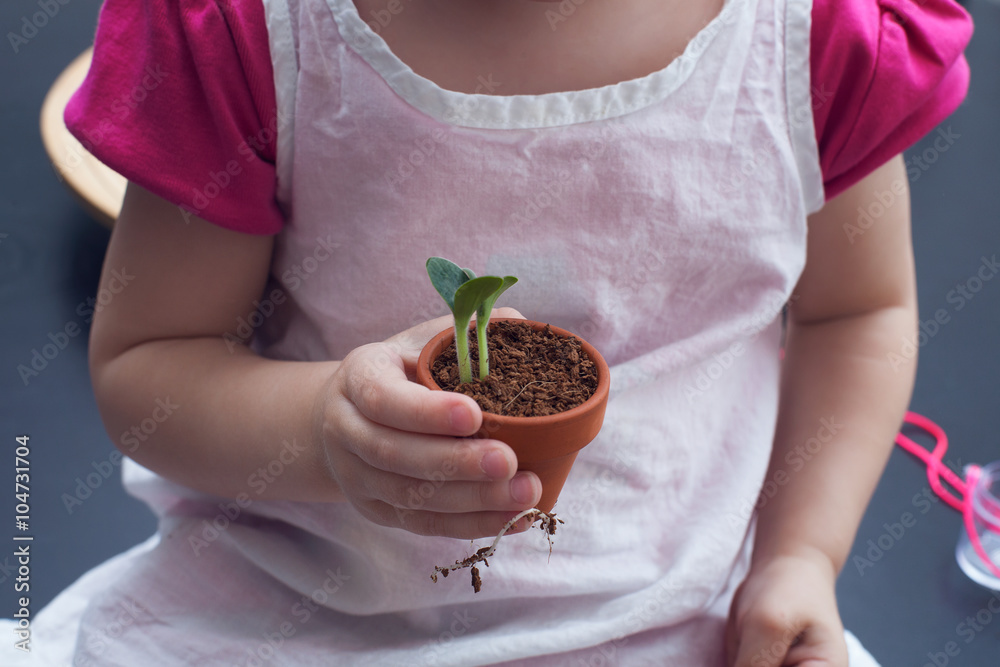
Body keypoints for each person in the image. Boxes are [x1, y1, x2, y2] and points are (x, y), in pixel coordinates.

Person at [6, 0, 974, 664]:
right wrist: (324, 432)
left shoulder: (817, 37)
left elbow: (858, 310)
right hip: (298, 608)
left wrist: (799, 556)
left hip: (678, 617)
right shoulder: (250, 30)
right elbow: (153, 365)